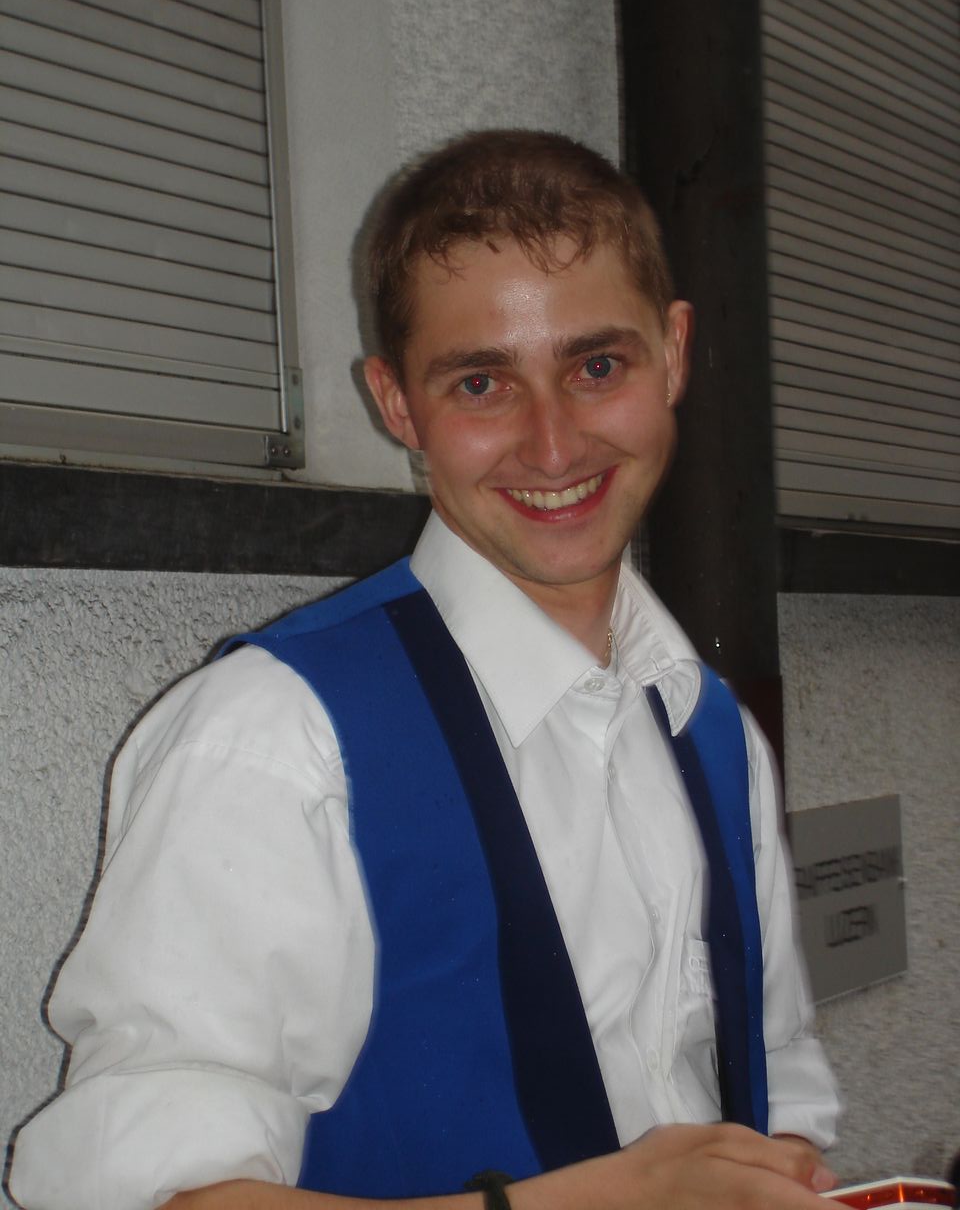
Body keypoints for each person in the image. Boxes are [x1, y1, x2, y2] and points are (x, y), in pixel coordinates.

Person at [11, 130, 840, 1210]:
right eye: (482, 382)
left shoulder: (714, 729)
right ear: (397, 403)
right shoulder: (274, 740)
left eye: (597, 366)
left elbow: (777, 1079)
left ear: (674, 354)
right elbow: (159, 1199)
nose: (553, 445)